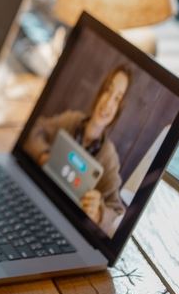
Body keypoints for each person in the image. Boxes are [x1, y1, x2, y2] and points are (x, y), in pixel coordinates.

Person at [23, 66, 130, 235]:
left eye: (117, 99)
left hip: (68, 228)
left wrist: (99, 213)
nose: (108, 103)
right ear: (100, 91)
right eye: (108, 90)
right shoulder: (71, 120)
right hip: (38, 198)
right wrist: (43, 154)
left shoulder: (109, 158)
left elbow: (117, 212)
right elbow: (36, 129)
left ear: (119, 109)